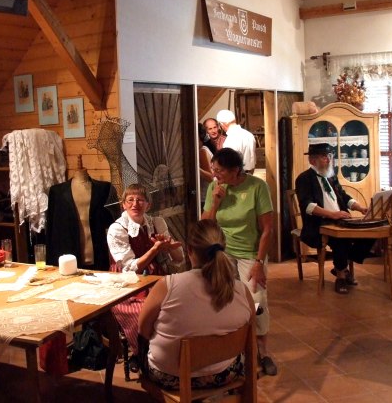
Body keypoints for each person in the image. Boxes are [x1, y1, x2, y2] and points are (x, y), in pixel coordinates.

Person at [138, 219, 254, 390]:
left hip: (170, 376)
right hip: (225, 373)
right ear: (223, 248)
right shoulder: (241, 290)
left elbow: (143, 330)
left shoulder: (167, 285)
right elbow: (251, 328)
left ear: (189, 250)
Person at [201, 148, 276, 376]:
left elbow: (267, 229)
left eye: (220, 171)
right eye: (213, 170)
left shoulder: (257, 187)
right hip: (224, 253)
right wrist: (215, 203)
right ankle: (235, 352)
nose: (215, 175)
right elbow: (205, 224)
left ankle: (263, 352)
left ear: (236, 171)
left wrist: (258, 262)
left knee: (257, 300)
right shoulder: (216, 187)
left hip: (251, 254)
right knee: (226, 301)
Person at [107, 184, 185, 371]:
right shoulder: (117, 229)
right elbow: (129, 267)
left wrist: (169, 248)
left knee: (177, 307)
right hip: (127, 282)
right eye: (130, 200)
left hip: (156, 277)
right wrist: (155, 249)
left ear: (148, 205)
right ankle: (142, 353)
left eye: (140, 200)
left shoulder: (157, 223)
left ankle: (171, 353)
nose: (135, 204)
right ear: (123, 205)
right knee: (141, 313)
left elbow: (179, 258)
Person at [295, 143, 374, 295]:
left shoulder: (331, 176)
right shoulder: (304, 179)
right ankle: (341, 276)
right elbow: (308, 206)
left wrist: (360, 208)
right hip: (318, 223)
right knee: (340, 238)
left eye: (330, 156)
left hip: (340, 219)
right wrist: (332, 215)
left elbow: (343, 196)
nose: (329, 160)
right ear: (312, 161)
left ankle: (340, 266)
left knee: (369, 231)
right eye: (324, 157)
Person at [197, 124, 214, 205]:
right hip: (205, 195)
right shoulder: (202, 149)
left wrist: (196, 168)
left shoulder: (202, 151)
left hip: (205, 196)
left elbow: (210, 177)